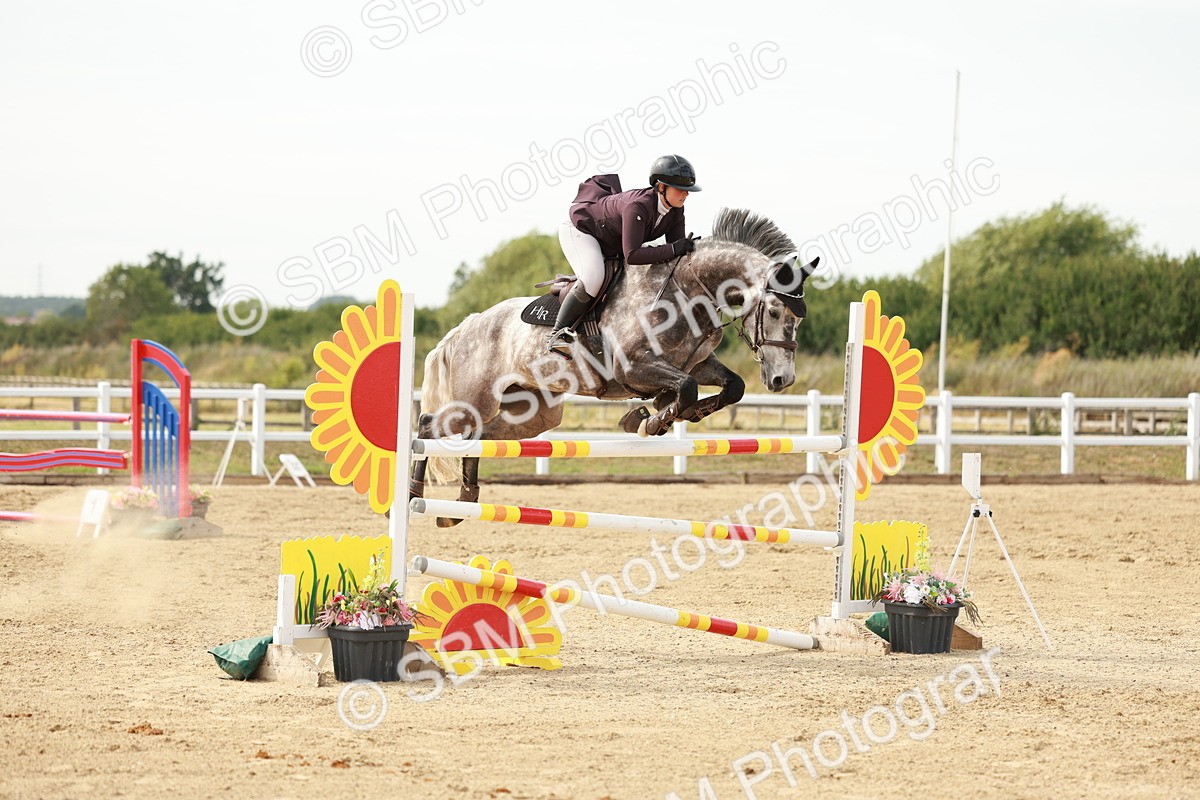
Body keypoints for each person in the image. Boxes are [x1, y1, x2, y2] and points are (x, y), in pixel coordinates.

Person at [549, 154, 702, 356]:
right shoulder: (638, 205)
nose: (686, 194)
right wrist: (675, 249)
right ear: (661, 187)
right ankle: (558, 334)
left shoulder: (676, 210)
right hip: (580, 229)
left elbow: (675, 255)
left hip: (609, 239)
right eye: (680, 189)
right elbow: (632, 255)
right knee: (594, 277)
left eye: (687, 190)